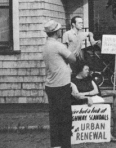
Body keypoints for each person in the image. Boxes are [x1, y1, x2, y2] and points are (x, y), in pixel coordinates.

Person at [43, 19, 76, 148]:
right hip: (61, 86)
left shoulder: (46, 45)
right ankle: (65, 145)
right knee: (65, 119)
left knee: (55, 118)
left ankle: (56, 145)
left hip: (51, 85)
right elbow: (72, 58)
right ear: (56, 32)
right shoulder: (57, 45)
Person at [70, 62, 116, 142]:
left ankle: (108, 134)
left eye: (88, 69)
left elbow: (96, 91)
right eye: (86, 69)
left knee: (104, 111)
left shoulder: (89, 79)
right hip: (81, 103)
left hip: (93, 102)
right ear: (80, 70)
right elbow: (76, 95)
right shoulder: (73, 81)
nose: (88, 71)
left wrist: (85, 94)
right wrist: (87, 97)